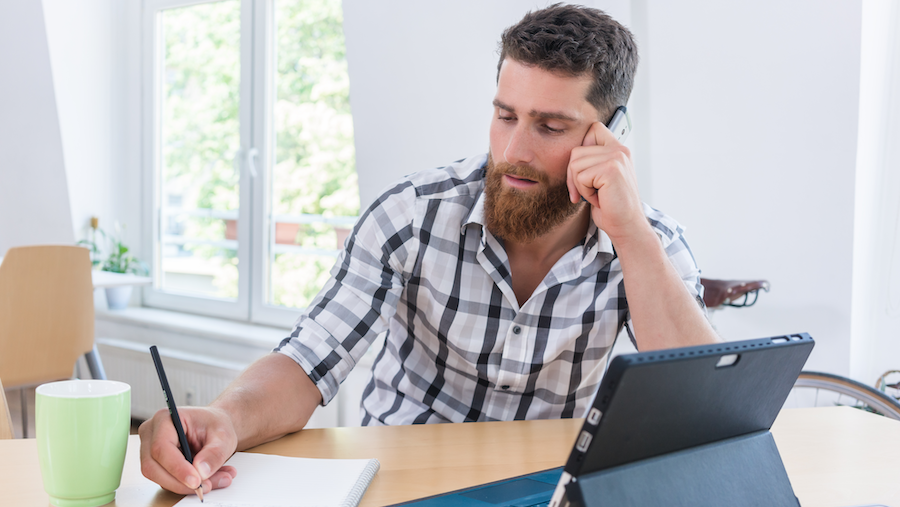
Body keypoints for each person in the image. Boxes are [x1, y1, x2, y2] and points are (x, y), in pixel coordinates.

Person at [139, 3, 720, 496]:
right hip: (403, 483)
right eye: (504, 115)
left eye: (550, 127)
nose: (513, 150)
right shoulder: (410, 214)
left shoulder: (650, 245)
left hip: (545, 490)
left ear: (610, 135)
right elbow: (310, 358)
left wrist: (632, 236)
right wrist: (224, 418)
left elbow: (697, 410)